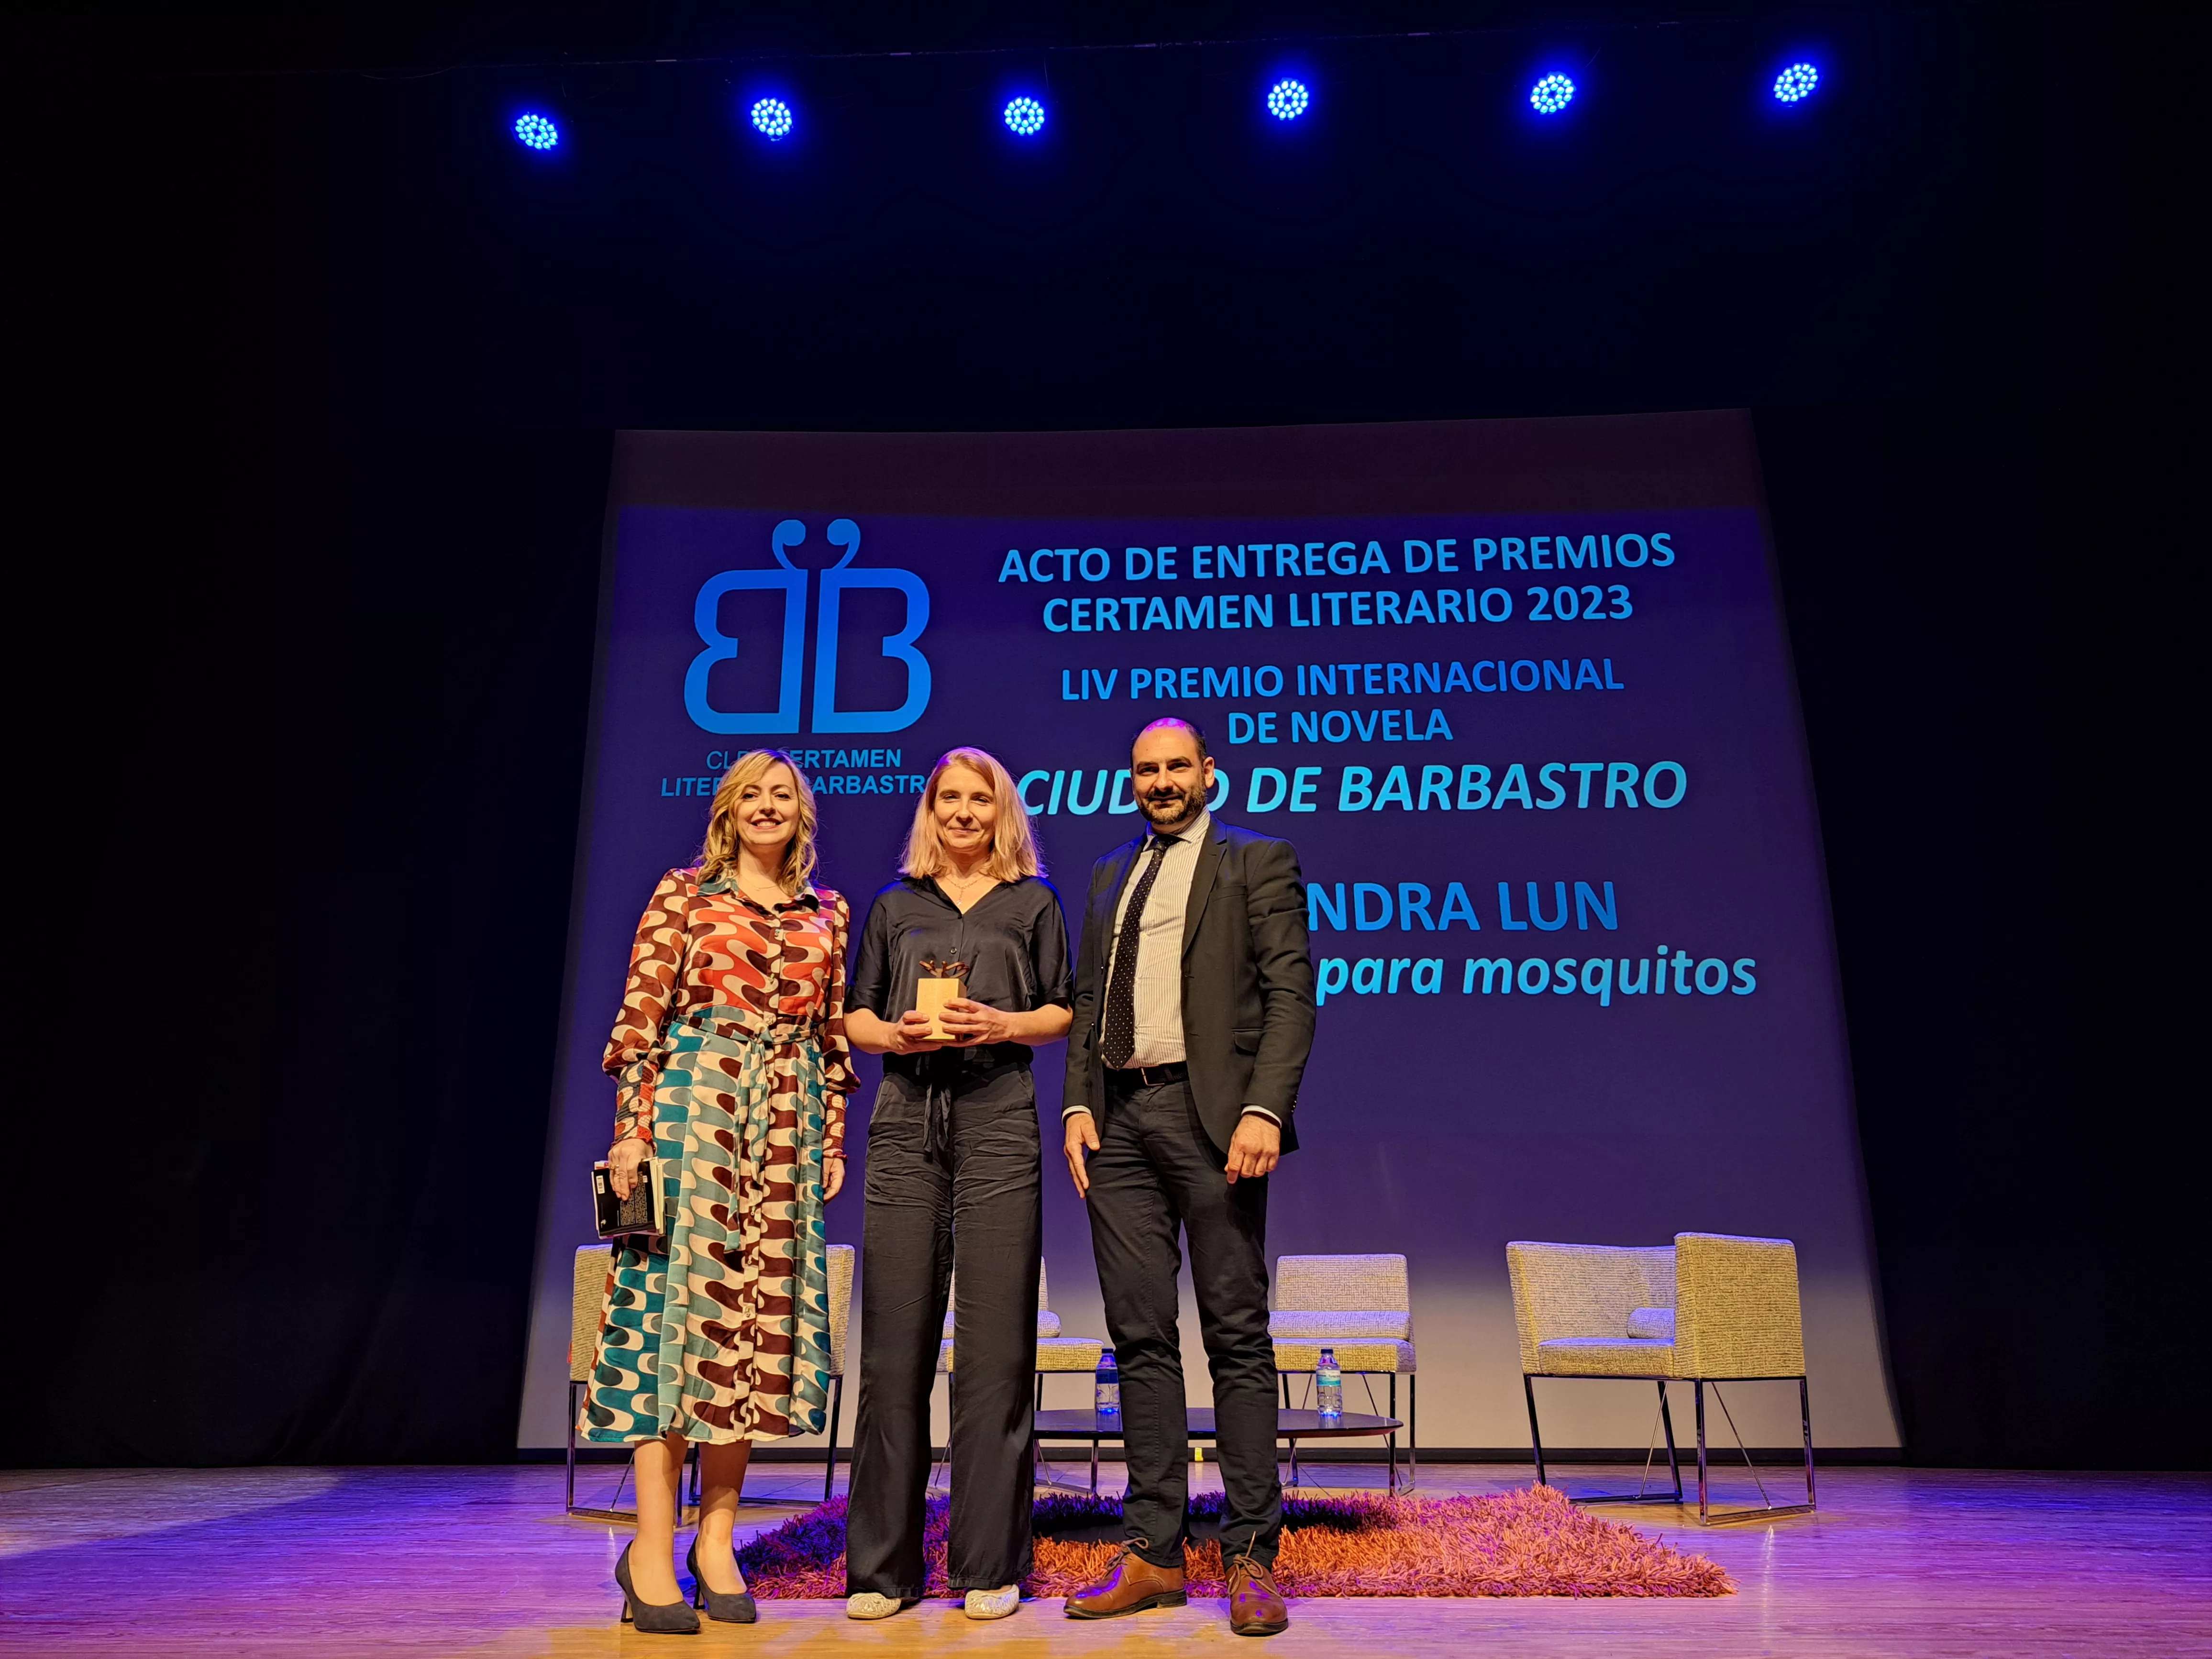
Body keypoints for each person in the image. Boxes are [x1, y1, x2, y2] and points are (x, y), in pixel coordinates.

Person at [579, 750, 856, 1635]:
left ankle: (717, 1544)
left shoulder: (830, 911)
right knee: (675, 1330)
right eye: (752, 795)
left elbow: (833, 1039)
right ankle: (651, 1554)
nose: (768, 807)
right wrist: (631, 1129)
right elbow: (639, 1020)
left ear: (802, 816)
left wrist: (833, 1137)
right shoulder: (685, 895)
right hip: (692, 1116)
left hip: (786, 1131)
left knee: (748, 1336)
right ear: (727, 812)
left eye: (783, 795)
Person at [1060, 718, 1316, 1638]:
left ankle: (1249, 1556)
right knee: (1139, 1339)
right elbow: (1091, 999)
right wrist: (1079, 1104)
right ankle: (1155, 1556)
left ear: (1212, 774)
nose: (1161, 781)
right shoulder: (1106, 874)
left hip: (1214, 1119)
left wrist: (1265, 1109)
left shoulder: (1258, 859)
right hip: (1120, 1121)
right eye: (1145, 770)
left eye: (1176, 767)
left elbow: (1292, 994)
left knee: (1238, 1339)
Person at [842, 747, 1073, 1624]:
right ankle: (882, 1570)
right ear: (931, 811)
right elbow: (855, 1012)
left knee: (996, 1355)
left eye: (982, 799)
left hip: (999, 1120)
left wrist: (1003, 1020)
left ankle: (987, 1564)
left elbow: (1065, 1007)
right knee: (894, 1351)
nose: (966, 813)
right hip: (906, 1126)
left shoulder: (1034, 902)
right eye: (951, 799)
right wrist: (894, 1036)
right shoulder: (897, 904)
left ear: (1004, 811)